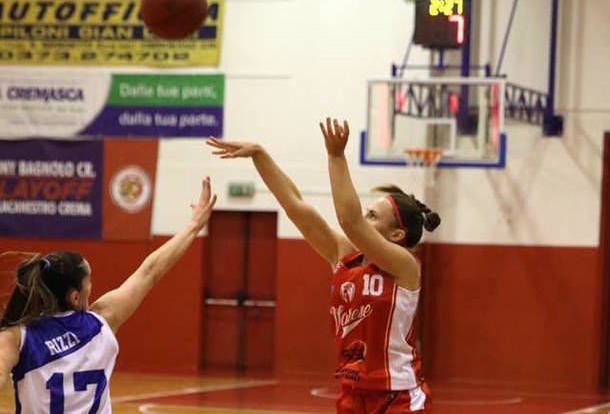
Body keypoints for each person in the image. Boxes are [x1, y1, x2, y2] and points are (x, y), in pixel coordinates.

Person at [207, 118, 439, 414]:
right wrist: (260, 155)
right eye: (367, 213)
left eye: (373, 216)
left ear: (397, 235)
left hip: (399, 398)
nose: (365, 218)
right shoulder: (343, 255)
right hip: (353, 395)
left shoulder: (405, 266)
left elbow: (350, 221)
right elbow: (295, 206)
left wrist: (336, 156)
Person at [0, 177, 216, 414]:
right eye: (88, 281)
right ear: (74, 297)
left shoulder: (17, 338)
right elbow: (150, 271)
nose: (92, 286)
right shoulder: (101, 321)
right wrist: (194, 226)